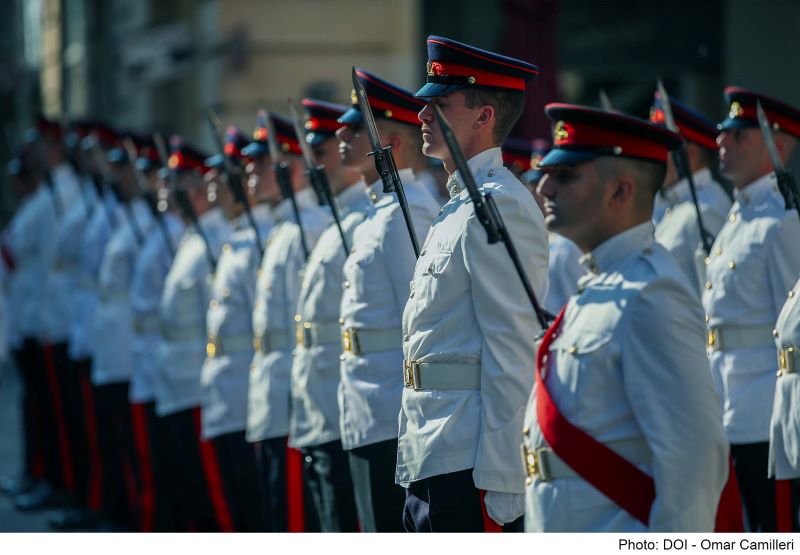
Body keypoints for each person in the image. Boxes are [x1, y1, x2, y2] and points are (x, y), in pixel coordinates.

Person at [524, 102, 729, 532]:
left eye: (566, 176)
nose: (544, 188)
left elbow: (694, 460)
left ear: (619, 192)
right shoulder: (598, 282)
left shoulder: (650, 294)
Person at [396, 36, 549, 532]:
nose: (421, 114)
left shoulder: (498, 203)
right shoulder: (459, 206)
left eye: (439, 104)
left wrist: (506, 480)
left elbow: (512, 347)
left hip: (468, 462)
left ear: (483, 117)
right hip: (431, 447)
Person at [335, 69, 440, 532]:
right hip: (365, 401)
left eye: (357, 128)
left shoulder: (406, 210)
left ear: (391, 142)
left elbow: (415, 319)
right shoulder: (382, 209)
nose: (342, 135)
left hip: (386, 410)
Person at [705, 87, 800, 532]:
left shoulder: (782, 222)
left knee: (768, 527)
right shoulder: (739, 217)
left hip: (762, 407)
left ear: (777, 146)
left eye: (739, 135)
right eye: (724, 134)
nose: (722, 143)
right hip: (725, 398)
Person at [244, 111, 328, 531]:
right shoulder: (282, 228)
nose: (248, 170)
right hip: (270, 387)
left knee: (294, 517)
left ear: (290, 169)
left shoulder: (305, 229)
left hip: (291, 393)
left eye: (260, 163)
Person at [153, 132, 240, 532]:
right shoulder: (192, 236)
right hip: (176, 378)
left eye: (176, 183)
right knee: (184, 481)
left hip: (196, 382)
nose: (166, 190)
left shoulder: (214, 237)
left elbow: (217, 317)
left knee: (209, 493)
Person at [289, 98, 366, 532]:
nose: (311, 166)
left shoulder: (360, 221)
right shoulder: (333, 219)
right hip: (316, 395)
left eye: (320, 153)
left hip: (343, 401)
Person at [200, 114, 274, 532]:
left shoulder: (259, 239)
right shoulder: (236, 237)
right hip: (225, 387)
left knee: (252, 502)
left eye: (220, 177)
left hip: (245, 392)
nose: (212, 185)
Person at [6, 117, 81, 511]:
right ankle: (47, 477)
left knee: (60, 414)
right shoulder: (48, 193)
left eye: (40, 145)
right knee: (45, 408)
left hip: (59, 316)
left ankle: (62, 483)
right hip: (41, 314)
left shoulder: (66, 192)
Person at [127, 136, 186, 531]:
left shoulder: (182, 232)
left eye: (168, 180)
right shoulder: (163, 226)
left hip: (176, 359)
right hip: (151, 351)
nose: (160, 187)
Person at [648, 91, 731, 293]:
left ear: (689, 154)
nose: (651, 156)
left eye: (660, 147)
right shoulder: (667, 203)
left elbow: (714, 291)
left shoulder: (706, 208)